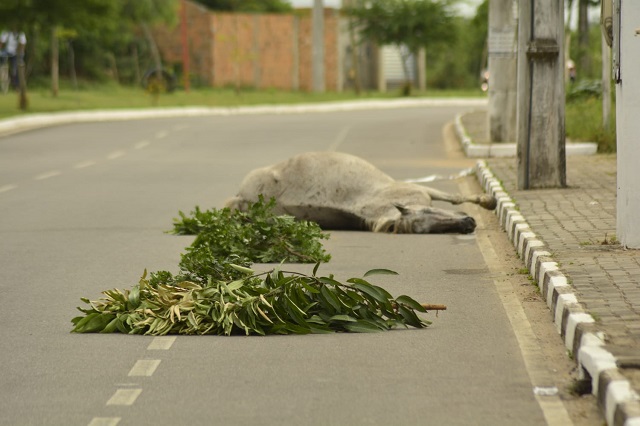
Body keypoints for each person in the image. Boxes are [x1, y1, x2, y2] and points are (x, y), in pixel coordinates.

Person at [0, 25, 27, 90]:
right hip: (7, 52)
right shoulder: (6, 32)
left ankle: (16, 83)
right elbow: (1, 43)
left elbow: (22, 45)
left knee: (16, 68)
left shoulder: (21, 33)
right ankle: (4, 75)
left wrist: (19, 52)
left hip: (16, 53)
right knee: (3, 63)